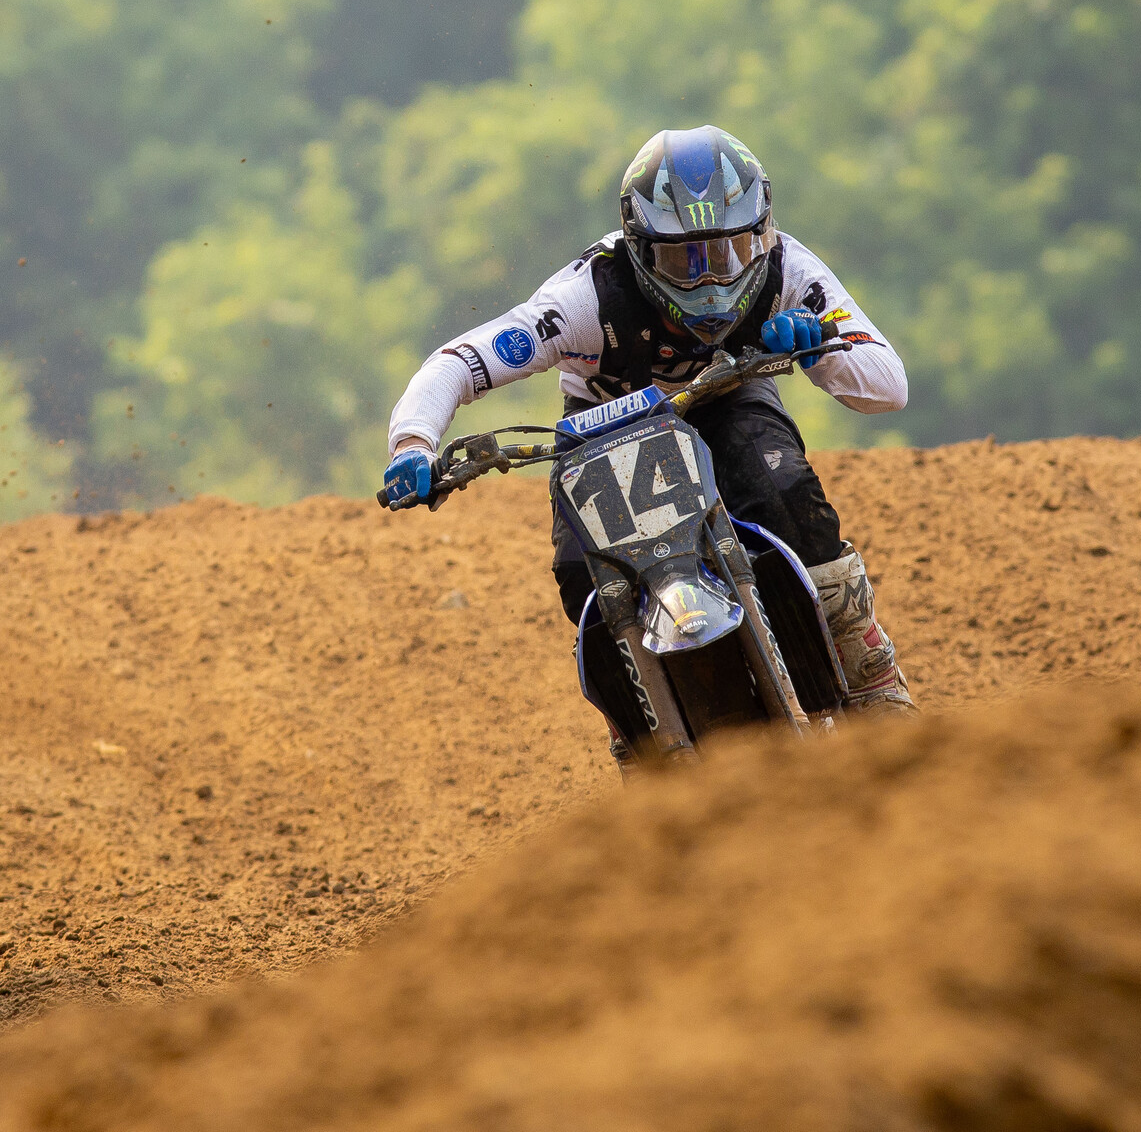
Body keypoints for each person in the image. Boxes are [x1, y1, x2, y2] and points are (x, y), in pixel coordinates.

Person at [380, 125, 916, 744]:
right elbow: (462, 360)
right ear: (638, 249)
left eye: (730, 252)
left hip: (728, 397)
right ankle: (638, 732)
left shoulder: (790, 271)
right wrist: (414, 443)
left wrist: (819, 347)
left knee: (785, 494)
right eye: (680, 260)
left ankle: (867, 666)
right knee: (581, 576)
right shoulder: (586, 295)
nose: (712, 280)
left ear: (763, 233)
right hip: (610, 426)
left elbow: (888, 383)